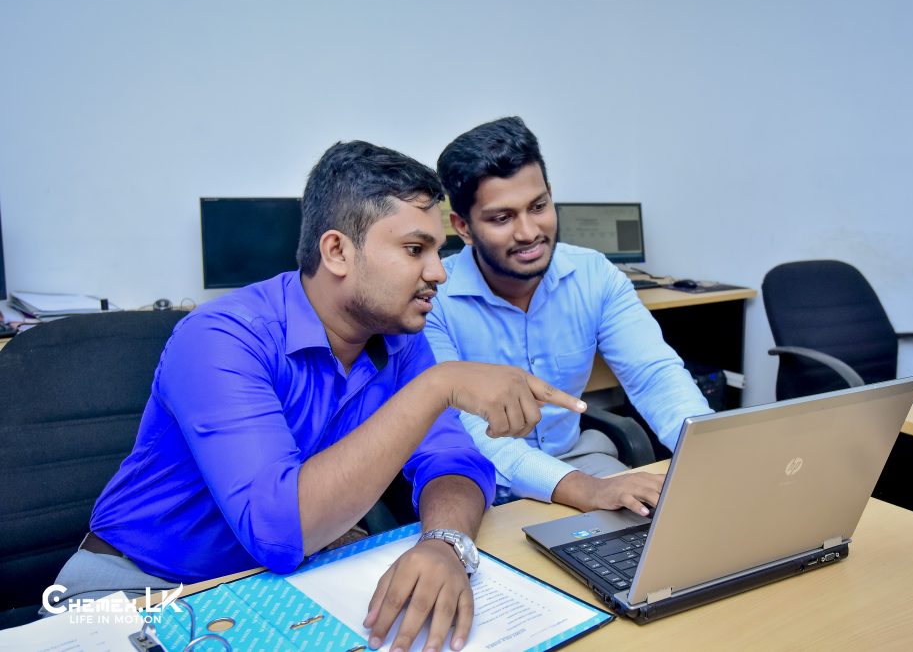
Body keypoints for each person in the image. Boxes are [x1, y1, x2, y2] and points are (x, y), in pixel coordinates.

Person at [47, 140, 584, 652]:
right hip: (135, 590)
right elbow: (280, 531)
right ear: (337, 251)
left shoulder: (398, 338)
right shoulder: (221, 337)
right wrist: (439, 385)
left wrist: (445, 542)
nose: (438, 272)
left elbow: (454, 461)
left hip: (268, 586)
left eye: (438, 250)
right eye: (414, 249)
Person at [426, 116, 712, 516]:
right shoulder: (433, 298)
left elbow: (654, 376)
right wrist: (584, 490)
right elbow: (465, 430)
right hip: (476, 481)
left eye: (538, 206)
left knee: (670, 524)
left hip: (578, 462)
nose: (529, 232)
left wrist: (711, 453)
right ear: (464, 227)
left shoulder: (594, 275)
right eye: (502, 218)